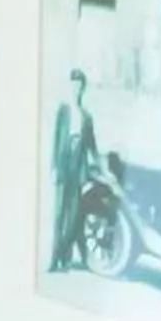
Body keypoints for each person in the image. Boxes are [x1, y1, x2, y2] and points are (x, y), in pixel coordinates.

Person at [50, 69, 104, 273]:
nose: (76, 90)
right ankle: (55, 260)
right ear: (69, 86)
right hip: (63, 167)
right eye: (73, 85)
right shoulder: (63, 111)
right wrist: (54, 167)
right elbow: (55, 141)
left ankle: (65, 258)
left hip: (77, 169)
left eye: (80, 86)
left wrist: (101, 169)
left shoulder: (86, 117)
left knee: (72, 218)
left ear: (83, 89)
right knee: (58, 216)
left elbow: (92, 148)